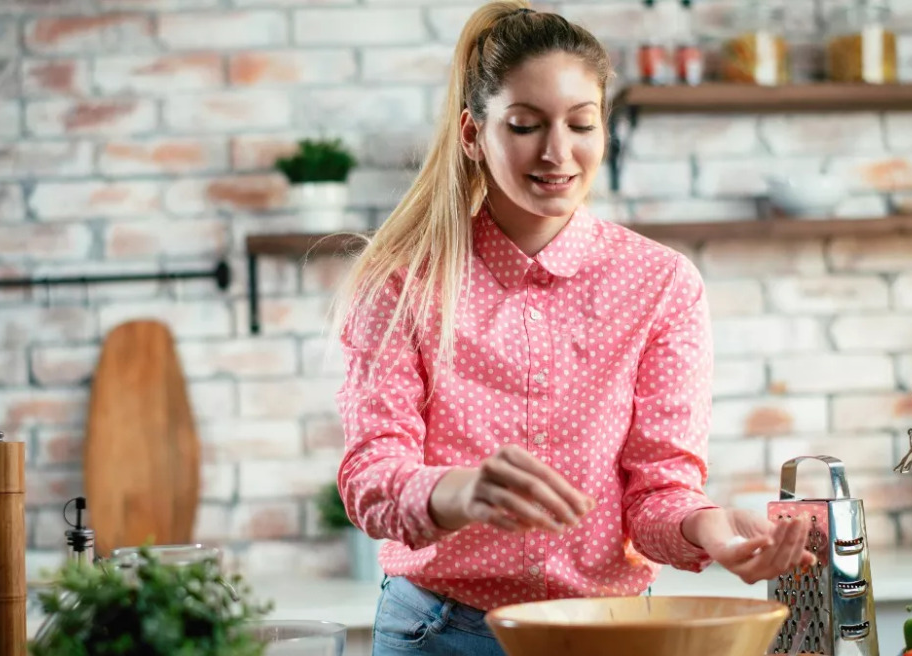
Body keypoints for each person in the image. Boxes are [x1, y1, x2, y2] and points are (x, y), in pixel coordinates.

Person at [329, 2, 816, 654]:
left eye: (581, 124)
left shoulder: (661, 285)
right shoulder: (401, 283)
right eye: (526, 125)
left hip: (609, 634)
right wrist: (460, 489)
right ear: (473, 134)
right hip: (440, 633)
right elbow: (370, 479)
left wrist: (710, 530)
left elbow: (658, 492)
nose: (557, 152)